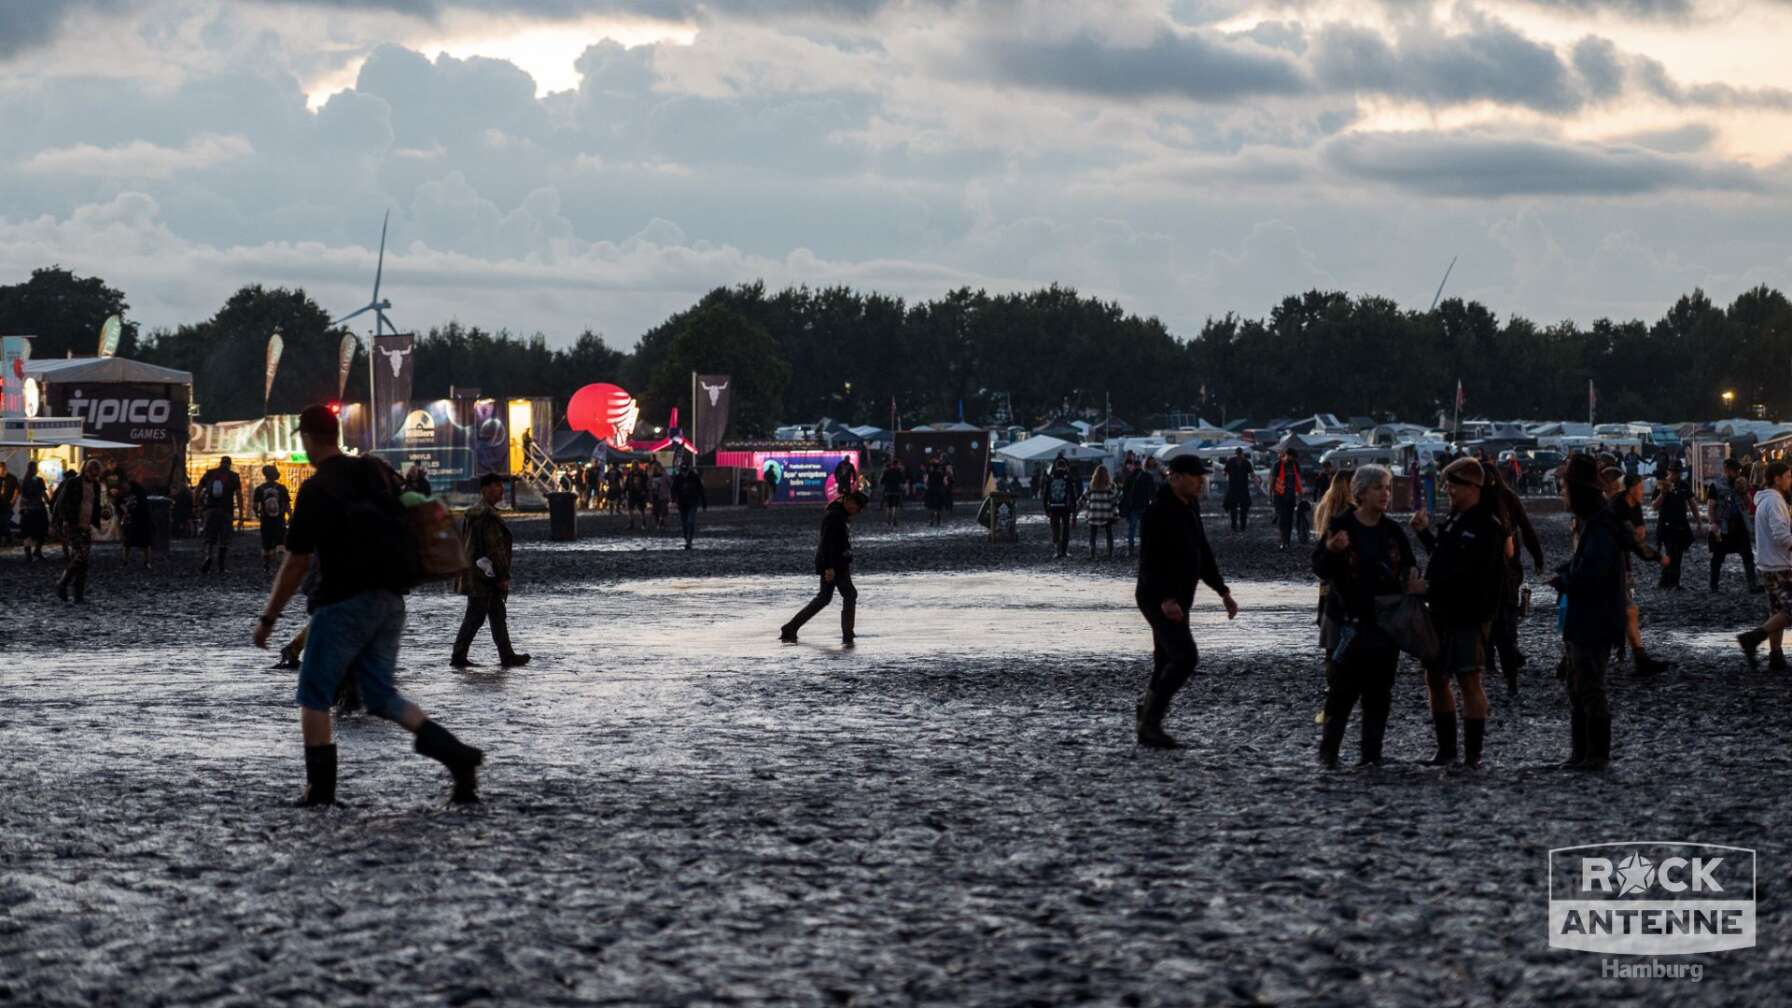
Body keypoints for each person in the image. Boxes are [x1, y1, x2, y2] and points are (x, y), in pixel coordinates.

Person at [253, 404, 485, 807]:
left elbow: (296, 562)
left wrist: (268, 619)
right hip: (390, 600)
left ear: (307, 439)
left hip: (342, 601)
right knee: (381, 696)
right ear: (336, 434)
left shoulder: (317, 488)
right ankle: (456, 755)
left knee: (314, 693)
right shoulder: (372, 471)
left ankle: (319, 791)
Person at [1313, 465, 1420, 768]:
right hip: (1349, 623)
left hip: (1385, 624)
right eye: (1378, 488)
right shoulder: (1342, 525)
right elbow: (1320, 568)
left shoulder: (1392, 531)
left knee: (1379, 693)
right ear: (1361, 492)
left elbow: (1410, 565)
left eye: (1387, 487)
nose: (1385, 494)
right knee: (1342, 692)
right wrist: (1332, 550)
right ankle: (1329, 754)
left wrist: (1413, 577)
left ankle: (1371, 755)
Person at [1134, 455, 1239, 749]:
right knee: (1185, 658)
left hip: (1180, 598)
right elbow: (1152, 560)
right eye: (1195, 476)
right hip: (1157, 597)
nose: (1200, 482)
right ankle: (1150, 722)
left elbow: (1201, 553)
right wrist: (1166, 599)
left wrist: (1223, 591)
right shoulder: (1157, 511)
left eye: (1201, 476)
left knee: (1165, 659)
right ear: (1175, 477)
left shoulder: (1190, 507)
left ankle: (1147, 717)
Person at [1410, 457, 1506, 768]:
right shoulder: (1455, 520)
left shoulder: (1488, 526)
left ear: (1472, 487)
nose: (1447, 490)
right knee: (1435, 678)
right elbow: (1443, 557)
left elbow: (1475, 574)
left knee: (1469, 679)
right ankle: (1446, 751)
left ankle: (1472, 756)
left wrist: (1430, 587)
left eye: (1453, 484)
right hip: (1441, 611)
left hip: (1469, 614)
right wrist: (1424, 534)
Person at [1551, 455, 1627, 770]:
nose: (1562, 493)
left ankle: (1596, 755)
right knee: (1577, 684)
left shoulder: (1600, 526)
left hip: (1595, 619)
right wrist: (1565, 572)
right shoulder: (1595, 523)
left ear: (1578, 490)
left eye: (1565, 487)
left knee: (1590, 685)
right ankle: (1580, 753)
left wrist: (1564, 580)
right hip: (1588, 617)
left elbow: (1592, 575)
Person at [451, 473, 532, 670]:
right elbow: (494, 549)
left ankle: (507, 655)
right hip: (485, 575)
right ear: (485, 489)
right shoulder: (486, 516)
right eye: (496, 486)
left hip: (479, 572)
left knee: (497, 613)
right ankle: (458, 655)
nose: (501, 490)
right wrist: (502, 576)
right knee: (476, 616)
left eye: (501, 486)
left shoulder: (475, 513)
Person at [1482, 466, 1544, 693]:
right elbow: (1526, 528)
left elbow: (1525, 529)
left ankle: (1495, 660)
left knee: (1498, 613)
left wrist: (1537, 555)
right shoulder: (1504, 497)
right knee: (1504, 614)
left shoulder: (1503, 498)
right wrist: (1537, 556)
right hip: (1507, 568)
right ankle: (1504, 660)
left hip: (1506, 567)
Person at [779, 491, 867, 646]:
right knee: (849, 594)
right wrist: (829, 568)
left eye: (859, 509)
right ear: (848, 501)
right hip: (835, 563)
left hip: (834, 561)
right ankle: (847, 634)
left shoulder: (838, 514)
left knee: (824, 598)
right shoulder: (834, 517)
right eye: (856, 507)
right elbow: (827, 543)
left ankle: (791, 627)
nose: (857, 511)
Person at [1610, 473, 1671, 676]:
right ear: (1630, 489)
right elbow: (1634, 539)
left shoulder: (1633, 505)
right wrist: (1658, 557)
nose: (1643, 491)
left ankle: (1638, 657)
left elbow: (1639, 532)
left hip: (1620, 560)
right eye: (1640, 487)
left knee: (1628, 610)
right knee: (1627, 610)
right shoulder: (1618, 506)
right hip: (1608, 562)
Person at [1738, 461, 1792, 671]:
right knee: (1788, 611)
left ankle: (1775, 655)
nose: (1790, 480)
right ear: (1777, 479)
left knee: (1776, 610)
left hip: (1767, 563)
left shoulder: (1765, 500)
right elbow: (1781, 535)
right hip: (1779, 565)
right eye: (1788, 476)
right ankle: (1752, 638)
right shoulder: (1775, 501)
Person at [54, 459, 104, 603]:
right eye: (92, 474)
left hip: (86, 525)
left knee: (83, 560)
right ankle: (63, 583)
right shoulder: (73, 483)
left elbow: (94, 504)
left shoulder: (95, 485)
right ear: (85, 470)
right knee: (80, 556)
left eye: (96, 475)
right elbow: (61, 502)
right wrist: (63, 520)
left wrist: (100, 514)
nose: (93, 477)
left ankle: (77, 594)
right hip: (73, 524)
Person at [1709, 457, 1760, 592]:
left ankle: (1752, 585)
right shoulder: (1716, 485)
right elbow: (1711, 505)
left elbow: (1748, 504)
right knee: (1718, 555)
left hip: (1740, 523)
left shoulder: (1741, 483)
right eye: (1734, 471)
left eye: (1738, 471)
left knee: (1747, 554)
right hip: (1723, 525)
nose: (1737, 473)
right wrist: (1712, 522)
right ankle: (1713, 585)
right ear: (1726, 470)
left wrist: (1743, 492)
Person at [1653, 466, 1700, 590]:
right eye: (1673, 472)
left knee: (1677, 554)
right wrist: (1663, 493)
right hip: (1666, 526)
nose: (1675, 475)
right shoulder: (1662, 485)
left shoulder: (1684, 485)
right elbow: (1654, 506)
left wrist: (1698, 520)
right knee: (1671, 553)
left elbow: (1692, 503)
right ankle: (1671, 582)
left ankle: (1666, 581)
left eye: (1677, 472)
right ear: (1669, 472)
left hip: (1681, 525)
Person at [196, 455, 243, 573]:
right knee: (224, 538)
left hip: (210, 509)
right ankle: (221, 566)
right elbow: (239, 495)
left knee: (208, 536)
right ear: (230, 464)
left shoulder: (210, 473)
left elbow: (198, 489)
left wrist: (196, 505)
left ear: (220, 463)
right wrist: (241, 514)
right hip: (226, 510)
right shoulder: (234, 476)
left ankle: (208, 557)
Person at [253, 465, 292, 573]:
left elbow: (255, 506)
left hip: (265, 520)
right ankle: (280, 566)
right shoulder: (282, 488)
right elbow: (287, 504)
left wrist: (257, 513)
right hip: (279, 520)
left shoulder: (259, 489)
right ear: (276, 476)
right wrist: (290, 515)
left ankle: (266, 565)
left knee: (266, 542)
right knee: (280, 541)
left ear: (265, 476)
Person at [1041, 457, 1079, 558]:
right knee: (1065, 528)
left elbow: (1045, 494)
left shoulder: (1051, 477)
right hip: (1065, 507)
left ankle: (1057, 550)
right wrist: (1074, 509)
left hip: (1053, 506)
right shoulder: (1068, 477)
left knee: (1055, 528)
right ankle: (1064, 551)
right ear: (1065, 466)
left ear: (1056, 466)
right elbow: (1072, 494)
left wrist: (1046, 508)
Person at [1118, 457, 1155, 557]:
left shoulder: (1129, 477)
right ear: (1141, 466)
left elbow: (1124, 492)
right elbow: (1153, 491)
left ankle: (1130, 549)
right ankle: (1144, 549)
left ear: (1134, 466)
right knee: (1144, 529)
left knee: (1132, 529)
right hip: (1145, 505)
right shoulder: (1148, 476)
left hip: (1133, 507)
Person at [1080, 464, 1118, 559]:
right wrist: (1116, 515)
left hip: (1094, 514)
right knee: (1109, 533)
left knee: (1093, 534)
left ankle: (1092, 554)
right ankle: (1110, 553)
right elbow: (1114, 501)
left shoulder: (1092, 485)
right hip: (1107, 514)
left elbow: (1083, 498)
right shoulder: (1111, 486)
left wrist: (1078, 508)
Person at [1270, 449, 1304, 550]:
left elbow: (1298, 480)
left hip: (1291, 497)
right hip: (1279, 496)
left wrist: (1300, 496)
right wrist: (1270, 495)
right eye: (1293, 457)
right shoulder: (1277, 465)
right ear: (1287, 455)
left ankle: (1287, 542)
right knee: (1282, 520)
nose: (1294, 460)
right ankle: (1283, 542)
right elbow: (1272, 480)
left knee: (1289, 520)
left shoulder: (1295, 465)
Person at [16, 460, 49, 562]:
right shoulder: (38, 480)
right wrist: (50, 502)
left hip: (26, 509)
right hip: (38, 509)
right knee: (42, 531)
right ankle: (37, 551)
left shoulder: (22, 481)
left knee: (27, 532)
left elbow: (21, 494)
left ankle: (28, 554)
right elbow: (43, 494)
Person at [671, 461, 708, 549]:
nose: (684, 473)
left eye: (685, 471)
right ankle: (686, 538)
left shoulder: (694, 477)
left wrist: (704, 504)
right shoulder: (678, 478)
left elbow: (701, 490)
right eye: (683, 471)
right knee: (684, 523)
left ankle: (689, 539)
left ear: (688, 469)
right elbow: (673, 489)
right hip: (682, 503)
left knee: (690, 521)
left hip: (692, 502)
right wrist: (674, 499)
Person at [119, 479, 153, 570]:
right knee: (127, 543)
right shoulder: (124, 494)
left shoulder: (140, 494)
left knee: (145, 543)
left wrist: (129, 509)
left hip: (142, 521)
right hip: (131, 522)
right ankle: (125, 562)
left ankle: (147, 562)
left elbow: (143, 507)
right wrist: (123, 509)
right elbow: (119, 503)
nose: (125, 487)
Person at [1222, 448, 1253, 532]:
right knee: (1243, 509)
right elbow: (1252, 474)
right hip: (1242, 488)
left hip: (1234, 488)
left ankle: (1235, 526)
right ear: (1242, 453)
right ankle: (1242, 527)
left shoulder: (1231, 461)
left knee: (1234, 509)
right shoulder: (1246, 462)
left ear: (1236, 453)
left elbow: (1224, 473)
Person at [880, 459, 906, 527]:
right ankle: (894, 520)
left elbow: (882, 481)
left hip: (888, 491)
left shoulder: (887, 472)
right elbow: (903, 481)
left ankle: (888, 521)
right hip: (896, 491)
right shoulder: (899, 472)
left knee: (888, 506)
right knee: (895, 506)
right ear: (897, 465)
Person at [925, 461, 950, 527]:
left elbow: (926, 481)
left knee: (931, 507)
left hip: (931, 491)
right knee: (939, 507)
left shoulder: (929, 474)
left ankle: (931, 520)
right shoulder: (941, 474)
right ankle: (938, 520)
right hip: (939, 491)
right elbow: (945, 483)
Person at [649, 462, 671, 531]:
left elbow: (670, 483)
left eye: (656, 468)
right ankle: (659, 522)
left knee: (663, 509)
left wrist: (668, 493)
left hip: (663, 495)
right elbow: (649, 486)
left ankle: (661, 522)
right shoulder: (651, 477)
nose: (655, 469)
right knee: (656, 511)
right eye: (654, 468)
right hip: (655, 495)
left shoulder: (664, 475)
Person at [0, 460, 17, 547]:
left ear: (5, 468)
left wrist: (13, 500)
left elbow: (16, 490)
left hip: (7, 504)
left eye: (3, 469)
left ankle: (7, 538)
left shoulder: (12, 478)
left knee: (5, 521)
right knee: (3, 522)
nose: (2, 471)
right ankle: (8, 538)